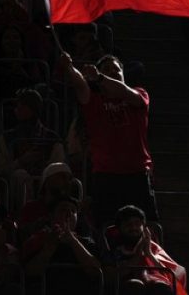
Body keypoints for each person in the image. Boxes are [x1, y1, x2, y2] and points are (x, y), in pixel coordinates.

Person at [57, 52, 157, 226]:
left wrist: (100, 77)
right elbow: (80, 85)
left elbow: (125, 92)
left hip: (137, 173)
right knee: (106, 227)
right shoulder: (94, 101)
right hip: (106, 175)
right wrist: (69, 67)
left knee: (148, 226)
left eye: (116, 69)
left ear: (124, 74)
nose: (112, 72)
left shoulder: (139, 93)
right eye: (106, 69)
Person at [0, 88, 64, 213]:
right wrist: (21, 161)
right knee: (20, 175)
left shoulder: (52, 138)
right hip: (15, 189)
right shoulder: (7, 138)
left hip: (44, 184)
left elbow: (58, 167)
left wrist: (43, 168)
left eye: (21, 106)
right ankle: (28, 212)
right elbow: (0, 170)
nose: (16, 110)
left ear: (32, 108)